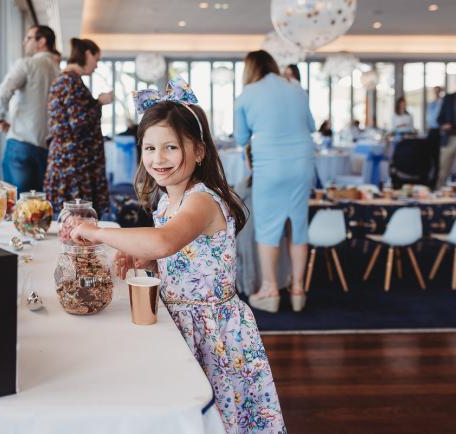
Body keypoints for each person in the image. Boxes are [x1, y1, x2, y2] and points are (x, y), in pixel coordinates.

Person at [70, 77, 286, 433]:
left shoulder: (201, 199)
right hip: (181, 318)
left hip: (213, 330)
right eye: (150, 148)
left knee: (220, 415)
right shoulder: (167, 199)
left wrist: (98, 232)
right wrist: (148, 260)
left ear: (199, 151)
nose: (158, 158)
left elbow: (166, 241)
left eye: (171, 147)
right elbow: (174, 252)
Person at [234, 50, 315, 313]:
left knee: (268, 229)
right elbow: (311, 125)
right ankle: (298, 290)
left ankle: (270, 290)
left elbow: (241, 138)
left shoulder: (247, 94)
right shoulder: (296, 88)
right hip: (302, 164)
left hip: (270, 167)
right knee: (298, 228)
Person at [44, 38, 114, 216]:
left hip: (70, 162)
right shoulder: (70, 81)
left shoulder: (66, 80)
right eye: (96, 60)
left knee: (70, 219)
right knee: (74, 219)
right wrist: (99, 102)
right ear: (87, 54)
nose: (96, 66)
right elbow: (78, 123)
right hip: (73, 164)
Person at [0, 25, 59, 193]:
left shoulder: (27, 64)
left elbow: (2, 93)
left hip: (20, 145)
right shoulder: (59, 71)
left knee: (18, 207)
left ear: (41, 41)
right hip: (46, 149)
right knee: (38, 208)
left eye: (28, 38)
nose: (24, 42)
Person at [235, 145, 291, 297]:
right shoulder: (280, 186)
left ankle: (256, 285)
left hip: (248, 235)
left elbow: (234, 210)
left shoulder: (243, 186)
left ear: (249, 163)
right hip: (273, 234)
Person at [437, 71, 456, 187]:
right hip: (450, 137)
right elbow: (440, 118)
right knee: (443, 168)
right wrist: (444, 125)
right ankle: (438, 192)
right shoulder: (448, 98)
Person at [426, 86, 444, 188]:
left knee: (437, 158)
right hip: (431, 132)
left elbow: (437, 118)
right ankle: (429, 180)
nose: (436, 93)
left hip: (438, 132)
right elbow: (429, 119)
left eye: (437, 91)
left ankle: (435, 182)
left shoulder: (442, 103)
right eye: (435, 91)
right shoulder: (431, 104)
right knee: (430, 157)